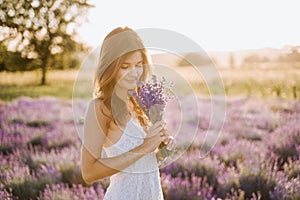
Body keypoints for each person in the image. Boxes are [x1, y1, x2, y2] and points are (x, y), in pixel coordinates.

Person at [80, 26, 171, 200]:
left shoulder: (143, 102)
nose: (134, 73)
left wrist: (161, 145)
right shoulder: (100, 108)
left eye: (138, 65)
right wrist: (144, 147)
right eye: (125, 66)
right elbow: (88, 172)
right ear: (110, 67)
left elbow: (144, 163)